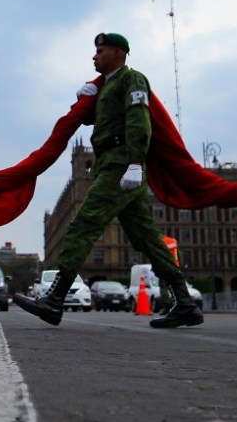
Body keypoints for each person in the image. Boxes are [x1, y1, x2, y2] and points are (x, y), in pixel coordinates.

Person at [15, 33, 202, 328]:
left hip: (120, 163)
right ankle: (186, 303)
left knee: (84, 223)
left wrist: (135, 162)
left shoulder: (132, 79)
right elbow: (100, 119)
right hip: (107, 163)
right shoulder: (109, 85)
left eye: (99, 51)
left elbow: (139, 120)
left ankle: (54, 299)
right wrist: (86, 97)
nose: (94, 57)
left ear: (118, 52)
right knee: (148, 240)